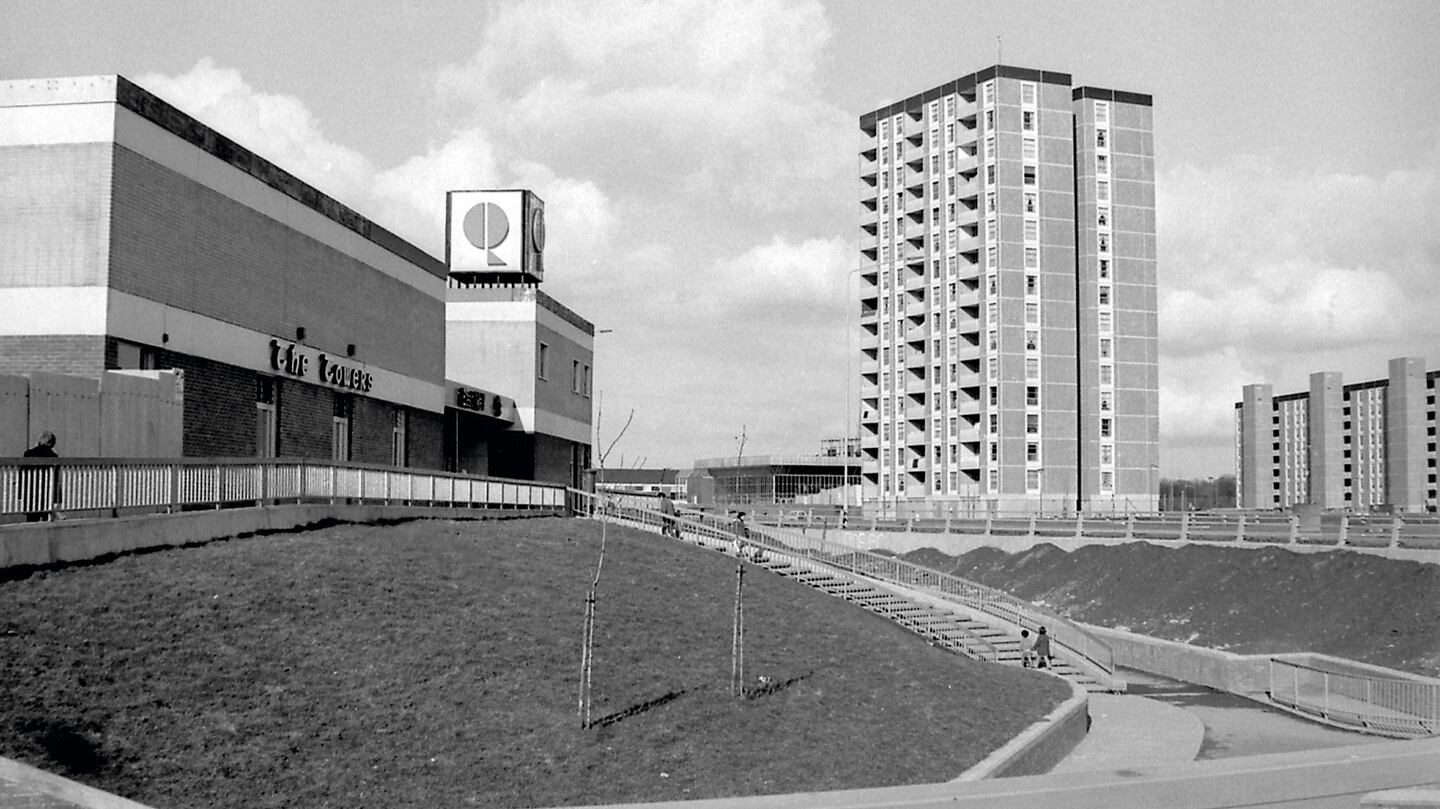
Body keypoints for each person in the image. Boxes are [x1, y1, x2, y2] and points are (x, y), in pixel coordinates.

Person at [22, 431, 61, 522]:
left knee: (31, 519)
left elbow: (23, 474)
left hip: (30, 492)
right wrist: (57, 497)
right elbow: (55, 478)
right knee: (45, 518)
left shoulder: (28, 454)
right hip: (46, 492)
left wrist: (21, 493)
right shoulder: (53, 456)